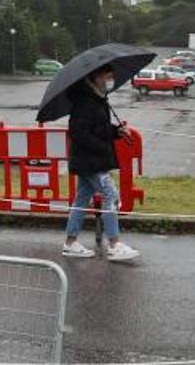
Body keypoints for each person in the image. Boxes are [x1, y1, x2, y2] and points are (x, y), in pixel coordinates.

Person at [61, 64, 140, 262]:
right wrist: (103, 147)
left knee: (81, 199)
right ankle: (114, 244)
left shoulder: (97, 99)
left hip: (90, 159)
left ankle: (70, 243)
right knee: (110, 196)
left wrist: (116, 131)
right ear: (97, 77)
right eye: (108, 76)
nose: (111, 80)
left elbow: (98, 127)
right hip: (91, 160)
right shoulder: (85, 102)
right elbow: (78, 133)